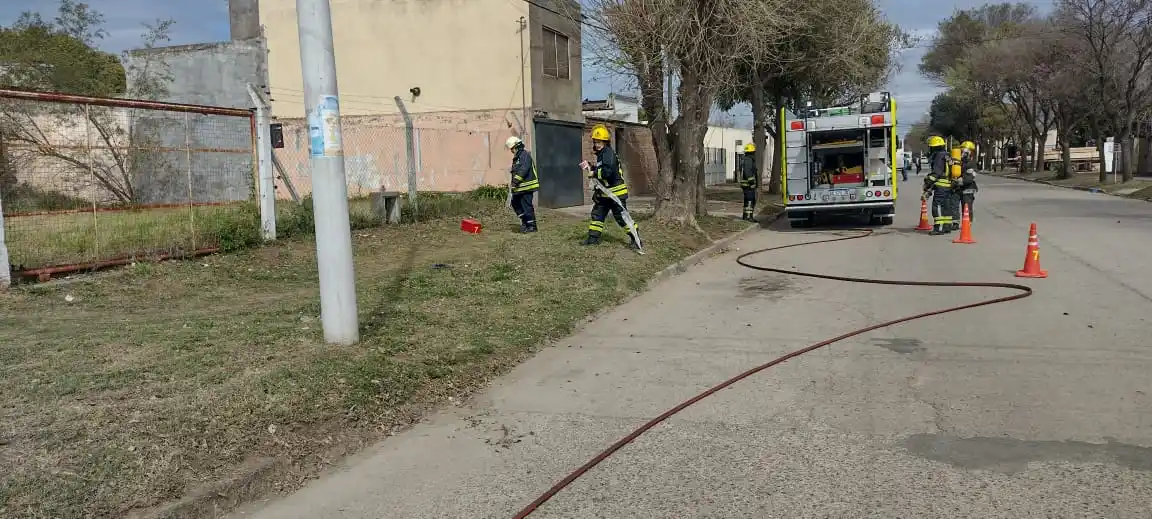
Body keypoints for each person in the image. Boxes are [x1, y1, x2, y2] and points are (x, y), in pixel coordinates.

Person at [580, 125, 637, 248]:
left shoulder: (608, 153)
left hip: (616, 194)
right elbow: (603, 169)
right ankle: (592, 239)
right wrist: (592, 167)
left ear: (605, 142)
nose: (596, 144)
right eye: (595, 142)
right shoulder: (602, 154)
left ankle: (635, 238)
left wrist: (594, 173)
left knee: (621, 218)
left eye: (599, 142)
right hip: (605, 194)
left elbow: (607, 172)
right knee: (597, 215)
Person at [505, 136, 539, 233]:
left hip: (527, 186)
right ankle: (525, 222)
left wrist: (515, 182)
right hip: (519, 187)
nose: (511, 151)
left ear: (517, 146)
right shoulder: (517, 158)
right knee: (515, 204)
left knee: (526, 206)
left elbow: (523, 170)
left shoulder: (524, 155)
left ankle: (532, 226)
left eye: (512, 149)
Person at [922, 136, 954, 235]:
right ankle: (947, 226)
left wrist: (927, 184)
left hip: (941, 185)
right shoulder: (947, 155)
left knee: (938, 206)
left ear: (934, 147)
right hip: (949, 185)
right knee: (946, 206)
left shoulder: (939, 156)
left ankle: (939, 228)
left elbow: (937, 172)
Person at [955, 140, 979, 223]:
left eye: (966, 151)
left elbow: (969, 178)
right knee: (954, 206)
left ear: (971, 152)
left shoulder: (971, 163)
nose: (963, 153)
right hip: (958, 188)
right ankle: (956, 223)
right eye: (962, 151)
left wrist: (960, 181)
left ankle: (968, 223)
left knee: (967, 207)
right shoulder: (959, 162)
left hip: (968, 189)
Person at [739, 143, 758, 221]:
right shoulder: (748, 160)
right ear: (751, 152)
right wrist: (752, 183)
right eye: (753, 152)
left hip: (746, 184)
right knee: (750, 200)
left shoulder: (746, 159)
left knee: (747, 200)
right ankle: (749, 217)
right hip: (748, 185)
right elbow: (748, 173)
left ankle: (745, 216)